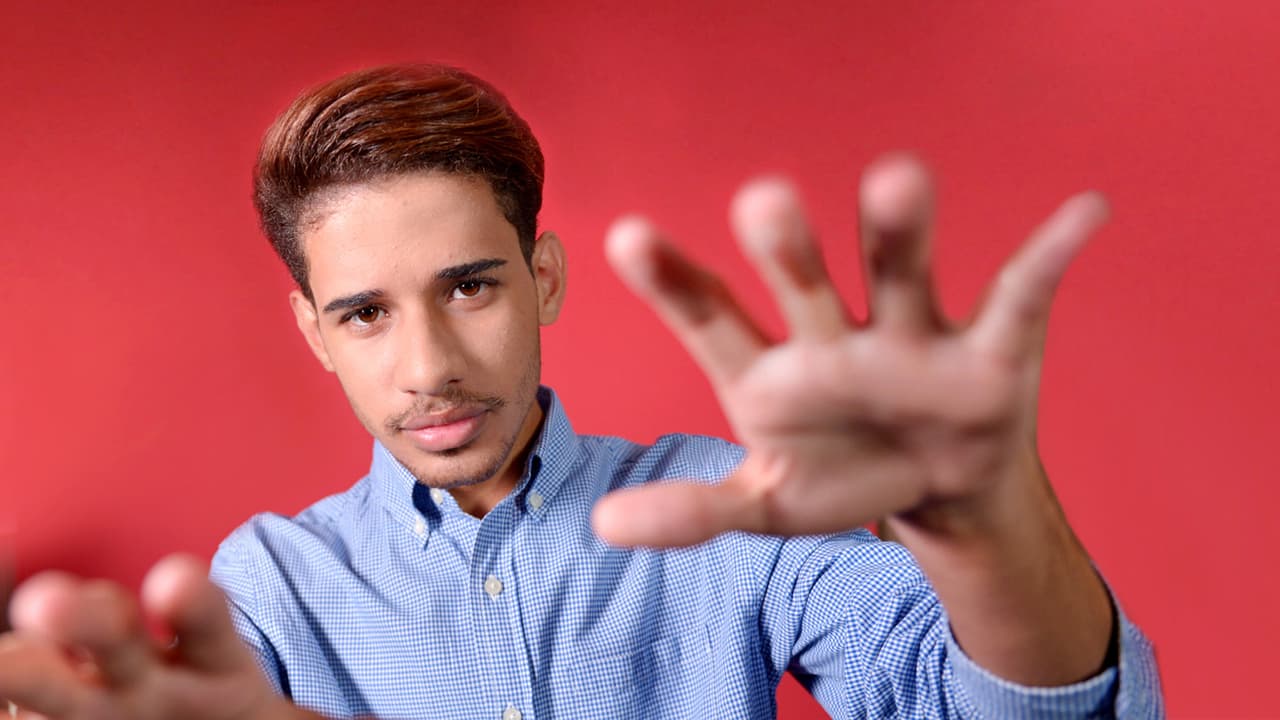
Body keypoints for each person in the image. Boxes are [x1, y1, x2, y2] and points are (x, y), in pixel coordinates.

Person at [0, 64, 1164, 719]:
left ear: (541, 278)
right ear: (314, 333)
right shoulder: (270, 582)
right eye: (365, 313)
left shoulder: (732, 508)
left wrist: (988, 522)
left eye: (467, 289)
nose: (428, 368)